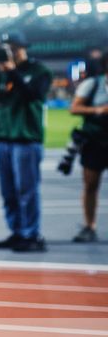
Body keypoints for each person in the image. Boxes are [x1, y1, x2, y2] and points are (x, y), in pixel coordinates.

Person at [0, 33, 51, 252]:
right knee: (8, 191)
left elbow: (33, 95)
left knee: (27, 190)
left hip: (25, 137)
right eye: (5, 48)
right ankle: (16, 230)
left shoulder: (39, 71)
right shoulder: (0, 72)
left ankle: (31, 233)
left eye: (12, 48)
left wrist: (11, 71)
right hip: (2, 136)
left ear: (22, 47)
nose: (9, 52)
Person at [64, 47, 106, 242]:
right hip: (96, 140)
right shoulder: (93, 84)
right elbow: (74, 108)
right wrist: (99, 110)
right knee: (91, 185)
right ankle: (89, 226)